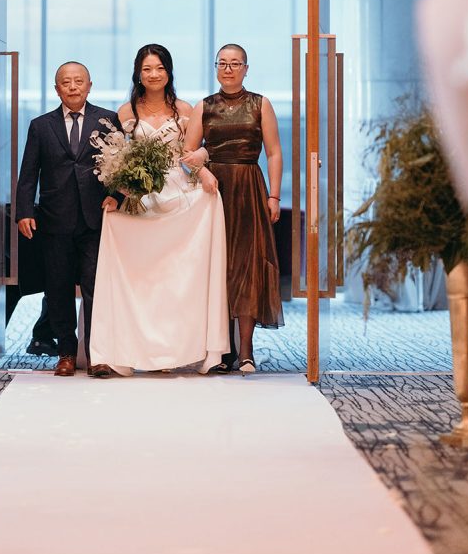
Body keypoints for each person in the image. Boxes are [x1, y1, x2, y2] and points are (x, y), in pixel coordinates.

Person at [89, 44, 230, 376]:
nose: (154, 74)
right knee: (145, 279)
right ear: (138, 73)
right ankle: (139, 350)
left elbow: (195, 151)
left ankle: (175, 351)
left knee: (176, 278)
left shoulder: (185, 109)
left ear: (169, 72)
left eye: (160, 68)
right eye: (147, 69)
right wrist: (118, 192)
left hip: (179, 193)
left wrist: (204, 168)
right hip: (142, 195)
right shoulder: (126, 112)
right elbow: (118, 158)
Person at [183, 43, 284, 373]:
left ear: (246, 68)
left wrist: (274, 196)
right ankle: (221, 351)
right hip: (213, 191)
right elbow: (187, 153)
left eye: (235, 63)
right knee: (217, 266)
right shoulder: (204, 106)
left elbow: (274, 153)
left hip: (249, 187)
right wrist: (203, 171)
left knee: (247, 266)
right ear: (216, 68)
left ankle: (246, 350)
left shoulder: (260, 104)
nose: (228, 69)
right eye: (223, 63)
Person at [15, 61, 120, 378]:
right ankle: (66, 353)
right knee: (57, 288)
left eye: (78, 81)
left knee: (94, 287)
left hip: (94, 218)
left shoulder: (107, 120)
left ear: (89, 85)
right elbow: (28, 173)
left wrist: (118, 196)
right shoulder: (40, 126)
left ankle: (97, 354)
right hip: (54, 218)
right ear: (57, 88)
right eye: (66, 82)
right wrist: (24, 211)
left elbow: (121, 165)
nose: (73, 87)